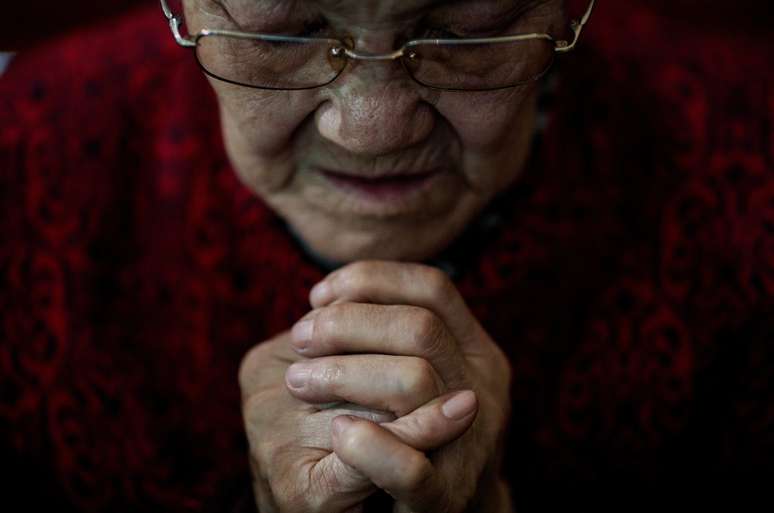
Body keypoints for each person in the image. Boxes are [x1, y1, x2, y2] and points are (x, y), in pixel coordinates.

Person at [1, 0, 771, 512]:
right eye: (285, 31)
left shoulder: (751, 167)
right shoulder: (25, 167)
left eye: (468, 30)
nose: (372, 128)